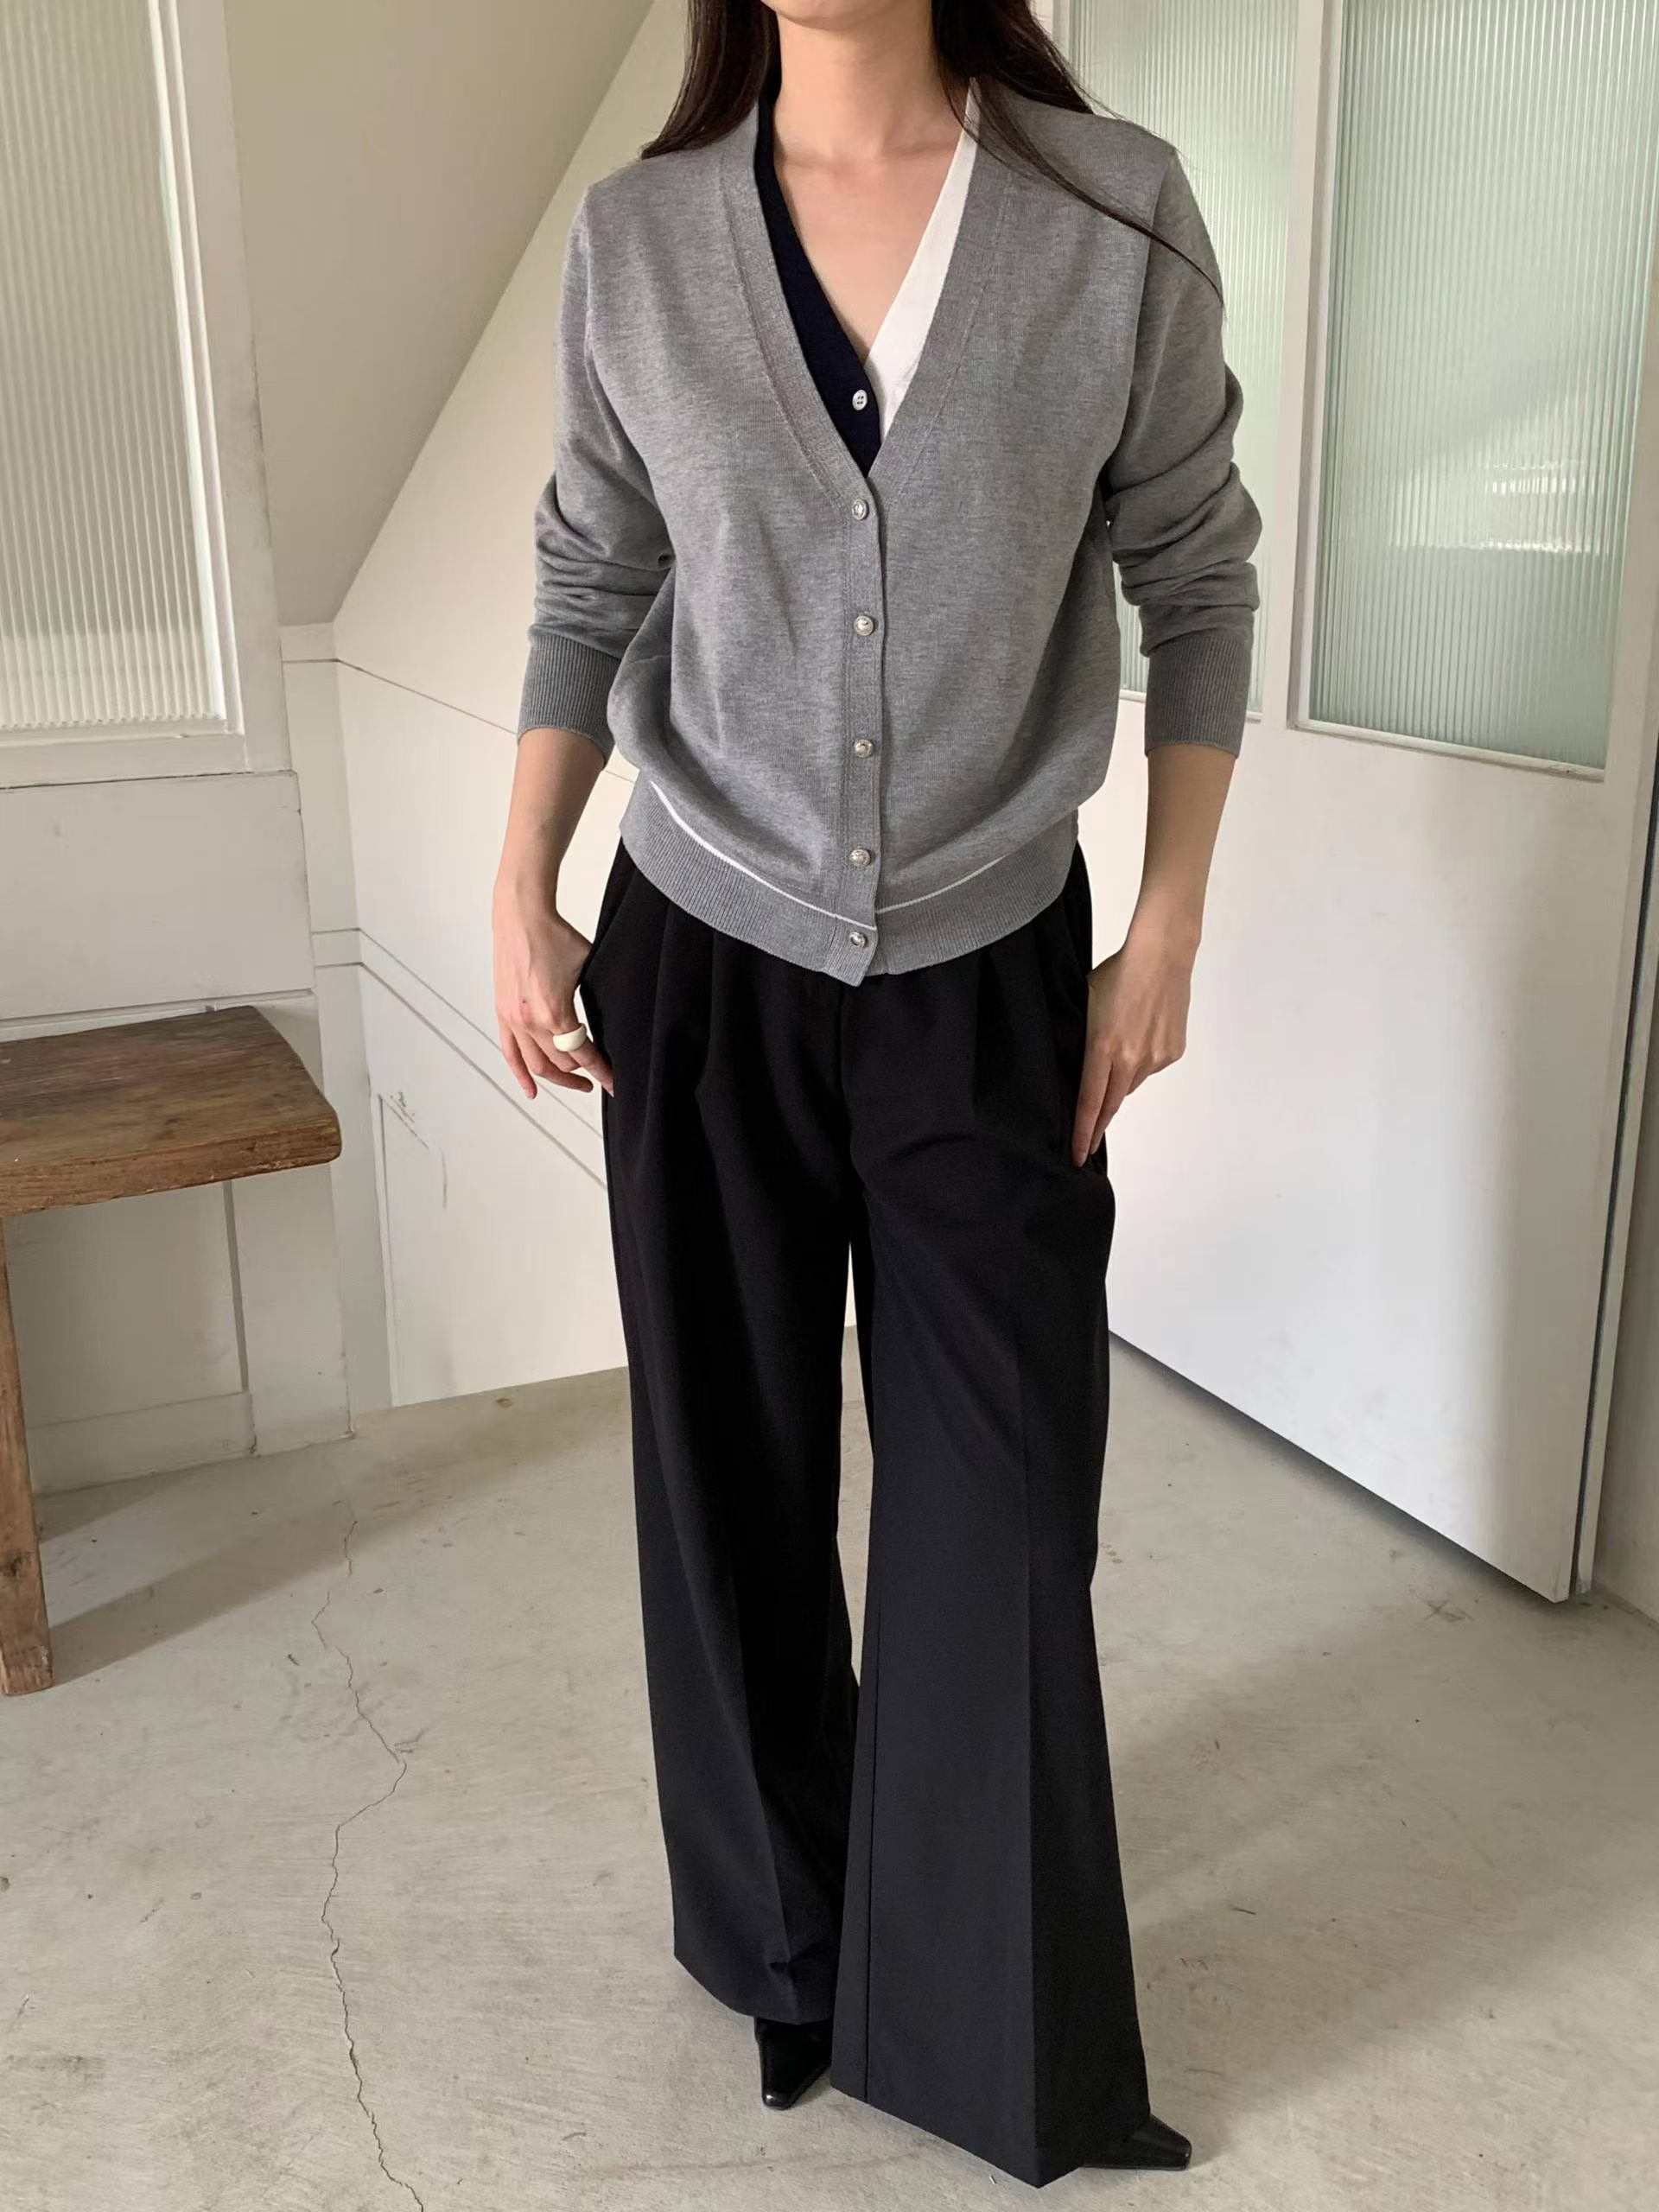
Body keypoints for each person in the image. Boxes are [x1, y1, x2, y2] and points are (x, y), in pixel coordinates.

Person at [492, 0, 1261, 2188]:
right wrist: (519, 873)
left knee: (1000, 1503)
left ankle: (985, 2016)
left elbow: (1198, 572)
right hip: (699, 946)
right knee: (725, 1472)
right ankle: (785, 1942)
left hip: (988, 964)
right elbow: (592, 564)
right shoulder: (641, 240)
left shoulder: (1114, 220)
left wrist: (1170, 924)